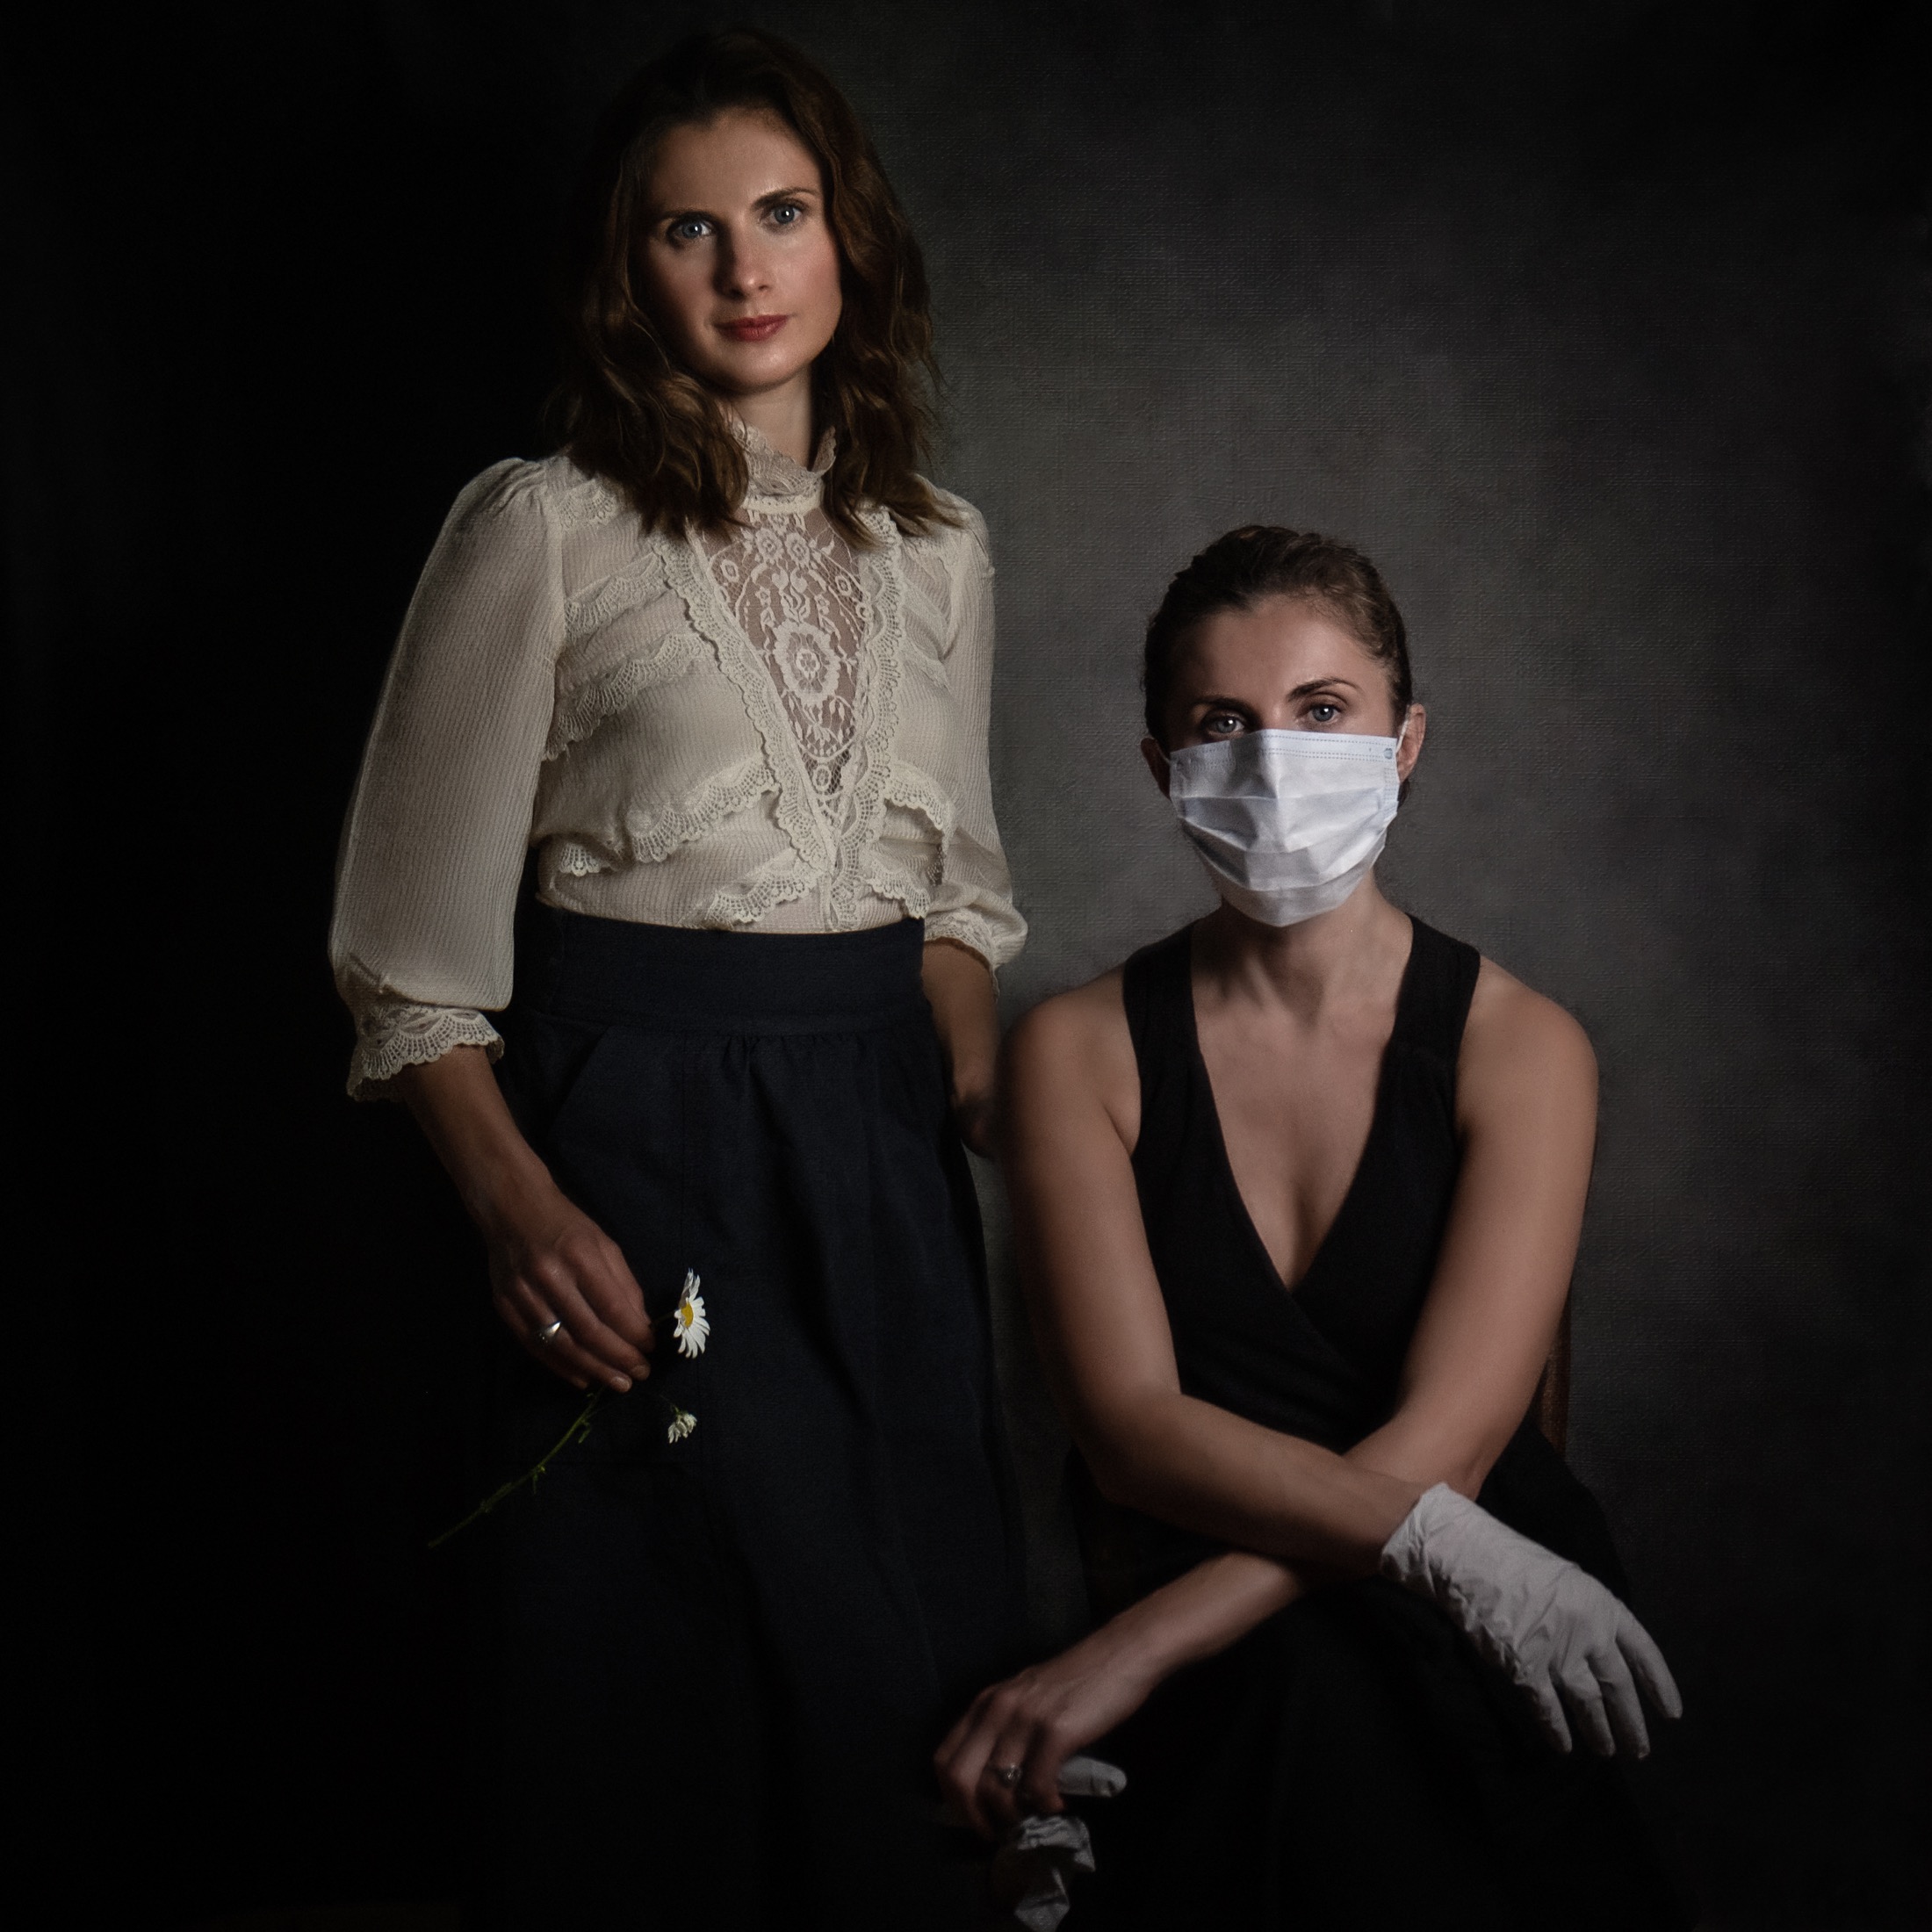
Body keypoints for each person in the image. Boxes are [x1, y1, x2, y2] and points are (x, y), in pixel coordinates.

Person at [328, 30, 1023, 1929]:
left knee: (901, 1680)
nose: (743, 269)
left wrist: (1001, 1109)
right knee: (659, 1706)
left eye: (781, 214)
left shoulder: (940, 551)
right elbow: (405, 965)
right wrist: (520, 1206)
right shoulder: (538, 526)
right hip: (632, 1129)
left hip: (875, 1152)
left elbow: (955, 901)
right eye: (684, 231)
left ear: (847, 242)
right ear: (623, 273)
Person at [936, 527, 1692, 1928]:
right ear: (1162, 764)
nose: (1275, 762)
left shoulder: (1523, 1048)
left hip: (1491, 1590)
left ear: (1404, 744)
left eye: (1322, 712)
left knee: (1339, 1716)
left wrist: (1121, 1657)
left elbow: (1448, 1457)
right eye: (1223, 723)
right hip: (1256, 1600)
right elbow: (1131, 1432)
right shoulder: (1078, 1051)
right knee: (1295, 1711)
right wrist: (1150, 1644)